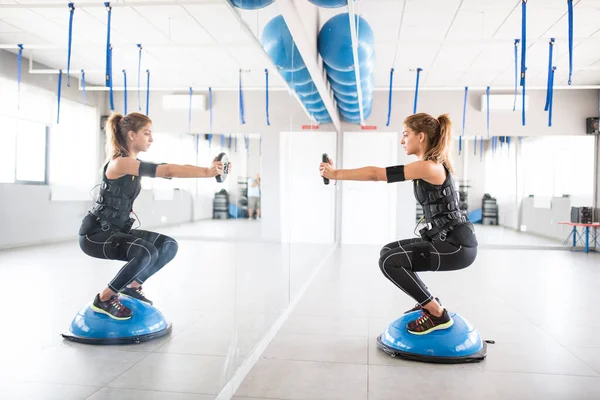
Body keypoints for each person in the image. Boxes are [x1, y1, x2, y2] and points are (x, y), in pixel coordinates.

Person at [319, 113, 478, 335]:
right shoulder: (431, 165)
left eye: (406, 135)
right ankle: (429, 302)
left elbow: (377, 175)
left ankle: (437, 314)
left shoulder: (429, 167)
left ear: (421, 137)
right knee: (387, 252)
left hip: (457, 246)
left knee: (389, 263)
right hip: (449, 240)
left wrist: (336, 173)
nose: (402, 140)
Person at [79, 112, 227, 320]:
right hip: (95, 236)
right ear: (131, 135)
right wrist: (206, 172)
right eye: (146, 133)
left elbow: (173, 168)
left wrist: (209, 170)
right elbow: (166, 170)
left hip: (116, 232)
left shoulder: (132, 163)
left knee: (168, 246)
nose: (152, 138)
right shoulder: (120, 163)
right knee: (146, 252)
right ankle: (104, 298)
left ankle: (133, 286)